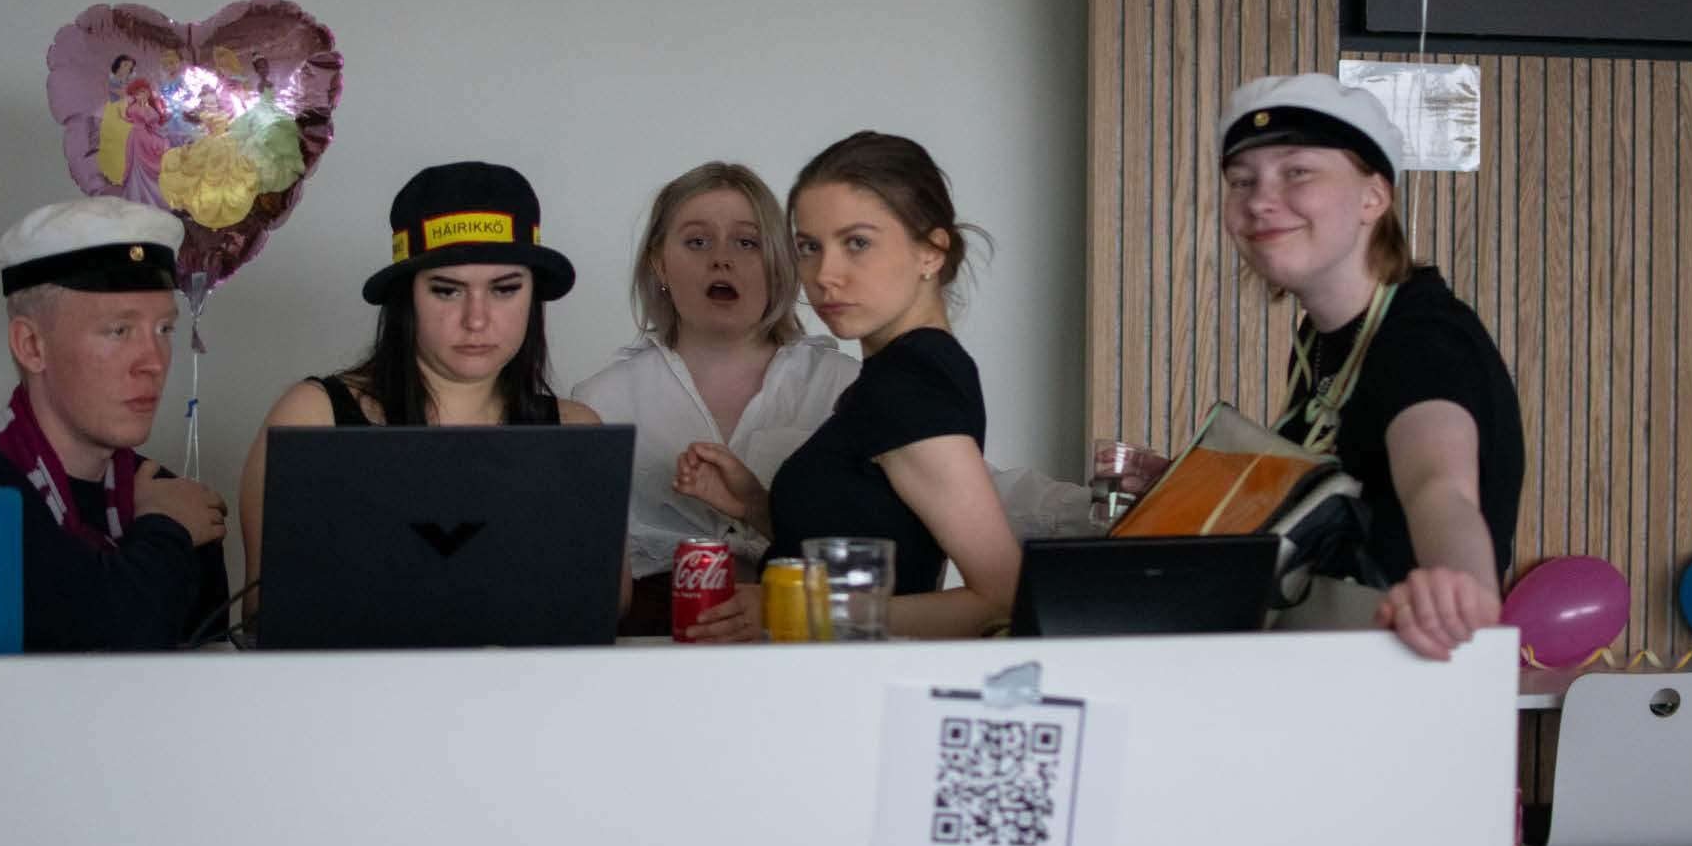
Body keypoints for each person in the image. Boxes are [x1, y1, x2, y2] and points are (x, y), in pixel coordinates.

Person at [574, 162, 1089, 636]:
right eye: (697, 241)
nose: (722, 258)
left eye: (747, 242)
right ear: (659, 264)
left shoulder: (852, 383)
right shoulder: (599, 401)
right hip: (654, 650)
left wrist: (1105, 512)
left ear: (779, 263)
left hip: (810, 645)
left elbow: (975, 494)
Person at [1217, 73, 1524, 660]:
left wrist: (1460, 583)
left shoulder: (1422, 337)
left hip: (1414, 666)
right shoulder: (1324, 336)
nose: (1258, 199)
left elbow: (1438, 484)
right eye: (1241, 181)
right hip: (1337, 668)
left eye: (1297, 172)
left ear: (1373, 198)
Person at [671, 134, 1025, 641]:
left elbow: (1002, 598)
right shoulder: (899, 371)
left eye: (857, 243)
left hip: (857, 679)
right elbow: (887, 536)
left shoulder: (911, 381)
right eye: (809, 247)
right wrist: (755, 505)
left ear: (931, 251)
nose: (825, 275)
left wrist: (790, 609)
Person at [237, 161, 615, 618]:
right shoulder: (314, 418)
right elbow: (265, 611)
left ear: (533, 296)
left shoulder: (576, 431)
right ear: (406, 297)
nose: (476, 319)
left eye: (504, 289)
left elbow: (608, 602)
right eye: (447, 291)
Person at [0, 198, 231, 651]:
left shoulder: (175, 501)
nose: (153, 362)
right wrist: (166, 531)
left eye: (164, 330)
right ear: (31, 346)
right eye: (119, 331)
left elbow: (203, 685)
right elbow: (89, 633)